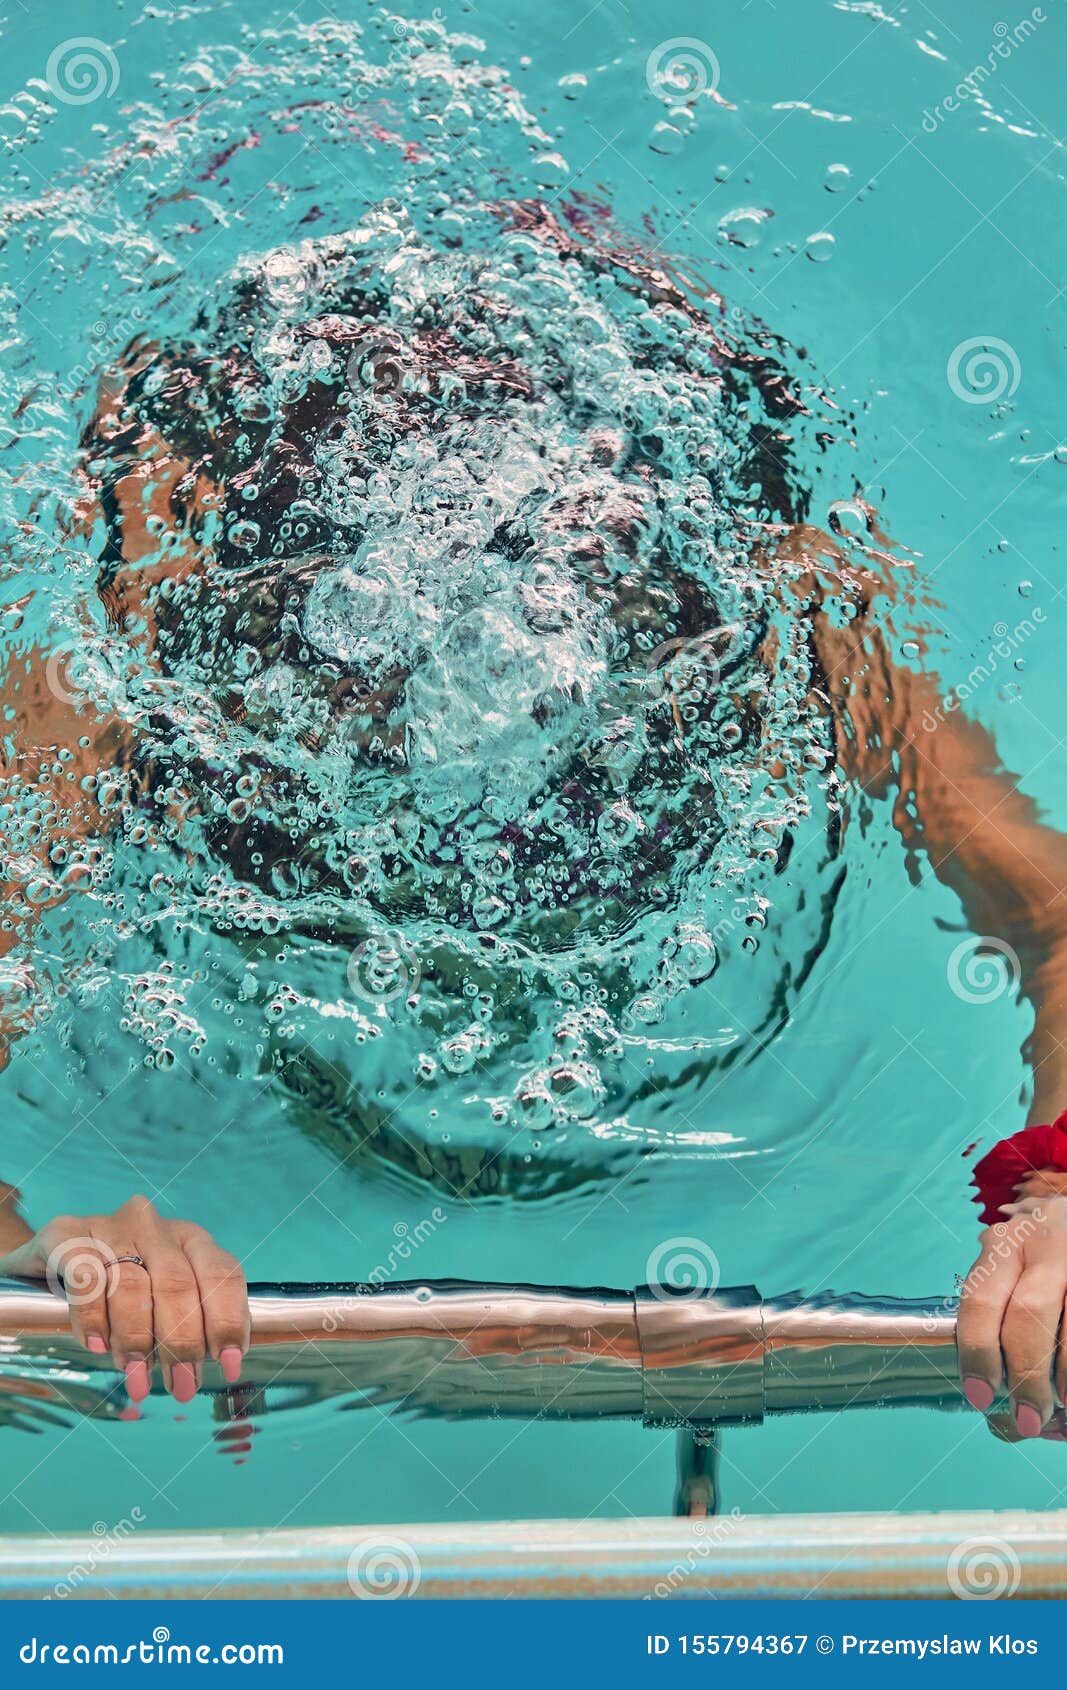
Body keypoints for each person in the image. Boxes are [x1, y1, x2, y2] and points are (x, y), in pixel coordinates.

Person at [1, 200, 1065, 1431]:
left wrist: (1051, 1189)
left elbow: (1046, 906)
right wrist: (54, 1254)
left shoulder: (780, 604)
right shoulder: (152, 621)